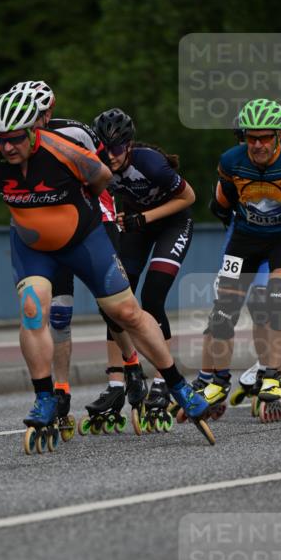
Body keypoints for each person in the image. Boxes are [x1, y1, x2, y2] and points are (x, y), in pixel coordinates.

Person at [0, 87, 215, 451]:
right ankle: (45, 397)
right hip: (33, 247)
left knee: (127, 312)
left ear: (32, 131)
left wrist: (78, 202)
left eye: (14, 139)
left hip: (82, 240)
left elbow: (102, 177)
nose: (7, 148)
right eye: (0, 140)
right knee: (33, 308)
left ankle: (178, 386)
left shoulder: (65, 150)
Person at [202, 97, 281, 422]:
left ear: (279, 136)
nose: (257, 144)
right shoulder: (230, 160)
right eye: (251, 137)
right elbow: (222, 202)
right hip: (246, 236)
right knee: (224, 308)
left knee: (277, 300)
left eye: (265, 138)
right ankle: (219, 380)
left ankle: (271, 374)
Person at [8, 79, 117, 431]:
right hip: (49, 235)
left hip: (87, 222)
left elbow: (102, 175)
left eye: (39, 115)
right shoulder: (15, 144)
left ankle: (129, 371)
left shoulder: (74, 133)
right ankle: (60, 390)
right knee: (58, 315)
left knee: (115, 306)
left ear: (49, 111)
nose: (33, 123)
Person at [89, 108, 196, 431]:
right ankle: (117, 382)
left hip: (171, 225)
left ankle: (165, 379)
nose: (112, 156)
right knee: (115, 301)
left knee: (152, 298)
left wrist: (144, 217)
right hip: (136, 227)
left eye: (118, 149)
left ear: (129, 145)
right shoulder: (97, 165)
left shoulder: (149, 162)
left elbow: (189, 197)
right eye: (105, 149)